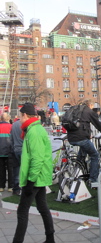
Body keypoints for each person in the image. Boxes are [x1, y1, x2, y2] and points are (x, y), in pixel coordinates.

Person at [12, 103, 55, 243]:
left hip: (35, 177)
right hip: (39, 176)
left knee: (22, 212)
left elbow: (37, 159)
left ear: (24, 115)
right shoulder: (34, 129)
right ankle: (50, 239)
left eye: (20, 116)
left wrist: (30, 181)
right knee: (42, 207)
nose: (19, 119)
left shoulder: (34, 131)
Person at [66, 99, 101, 185]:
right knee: (94, 155)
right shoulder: (88, 111)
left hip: (71, 138)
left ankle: (76, 173)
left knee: (81, 155)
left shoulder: (76, 109)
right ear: (90, 105)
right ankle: (93, 179)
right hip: (82, 138)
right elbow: (98, 125)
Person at [0, 112, 13, 192]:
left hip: (0, 151)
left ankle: (1, 186)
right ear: (8, 118)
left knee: (1, 170)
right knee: (10, 170)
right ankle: (10, 187)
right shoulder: (11, 127)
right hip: (10, 151)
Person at [10, 116, 23, 196]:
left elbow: (11, 138)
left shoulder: (14, 124)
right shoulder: (25, 125)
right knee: (25, 170)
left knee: (16, 171)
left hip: (15, 149)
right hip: (23, 149)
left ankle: (16, 189)